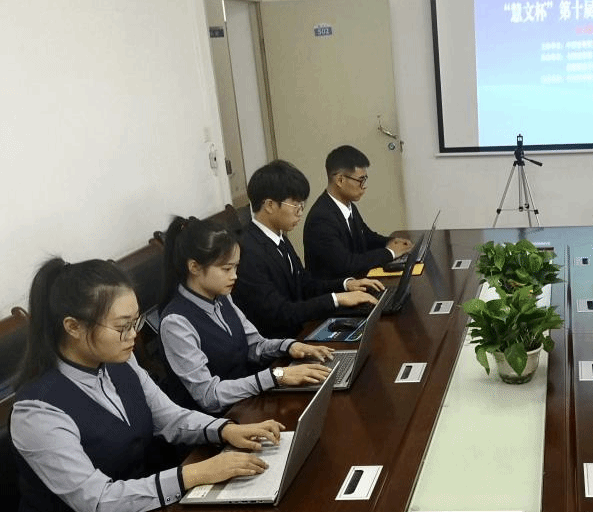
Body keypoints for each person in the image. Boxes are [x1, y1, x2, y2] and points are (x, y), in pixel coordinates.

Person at [10, 258, 284, 512]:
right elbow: (98, 501)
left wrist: (226, 429)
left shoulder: (119, 362)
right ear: (73, 327)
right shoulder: (37, 411)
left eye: (136, 322)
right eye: (122, 327)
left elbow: (168, 417)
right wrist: (196, 474)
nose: (134, 336)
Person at [159, 216, 336, 414]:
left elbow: (254, 346)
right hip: (219, 421)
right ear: (194, 267)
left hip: (246, 403)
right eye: (226, 269)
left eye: (236, 267)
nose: (234, 275)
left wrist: (290, 346)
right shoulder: (175, 322)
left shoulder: (222, 298)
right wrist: (276, 376)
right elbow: (209, 396)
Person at [232, 160, 381, 338]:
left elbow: (305, 284)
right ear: (270, 205)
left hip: (299, 330)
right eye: (296, 206)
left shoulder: (278, 238)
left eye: (302, 205)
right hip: (280, 343)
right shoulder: (248, 252)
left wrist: (346, 285)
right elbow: (280, 312)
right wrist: (337, 299)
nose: (301, 212)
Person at [304, 145, 413, 280]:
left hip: (356, 282)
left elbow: (366, 237)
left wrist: (392, 242)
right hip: (337, 289)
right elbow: (346, 264)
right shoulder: (321, 219)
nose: (364, 186)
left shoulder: (348, 205)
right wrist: (390, 253)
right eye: (360, 180)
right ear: (340, 180)